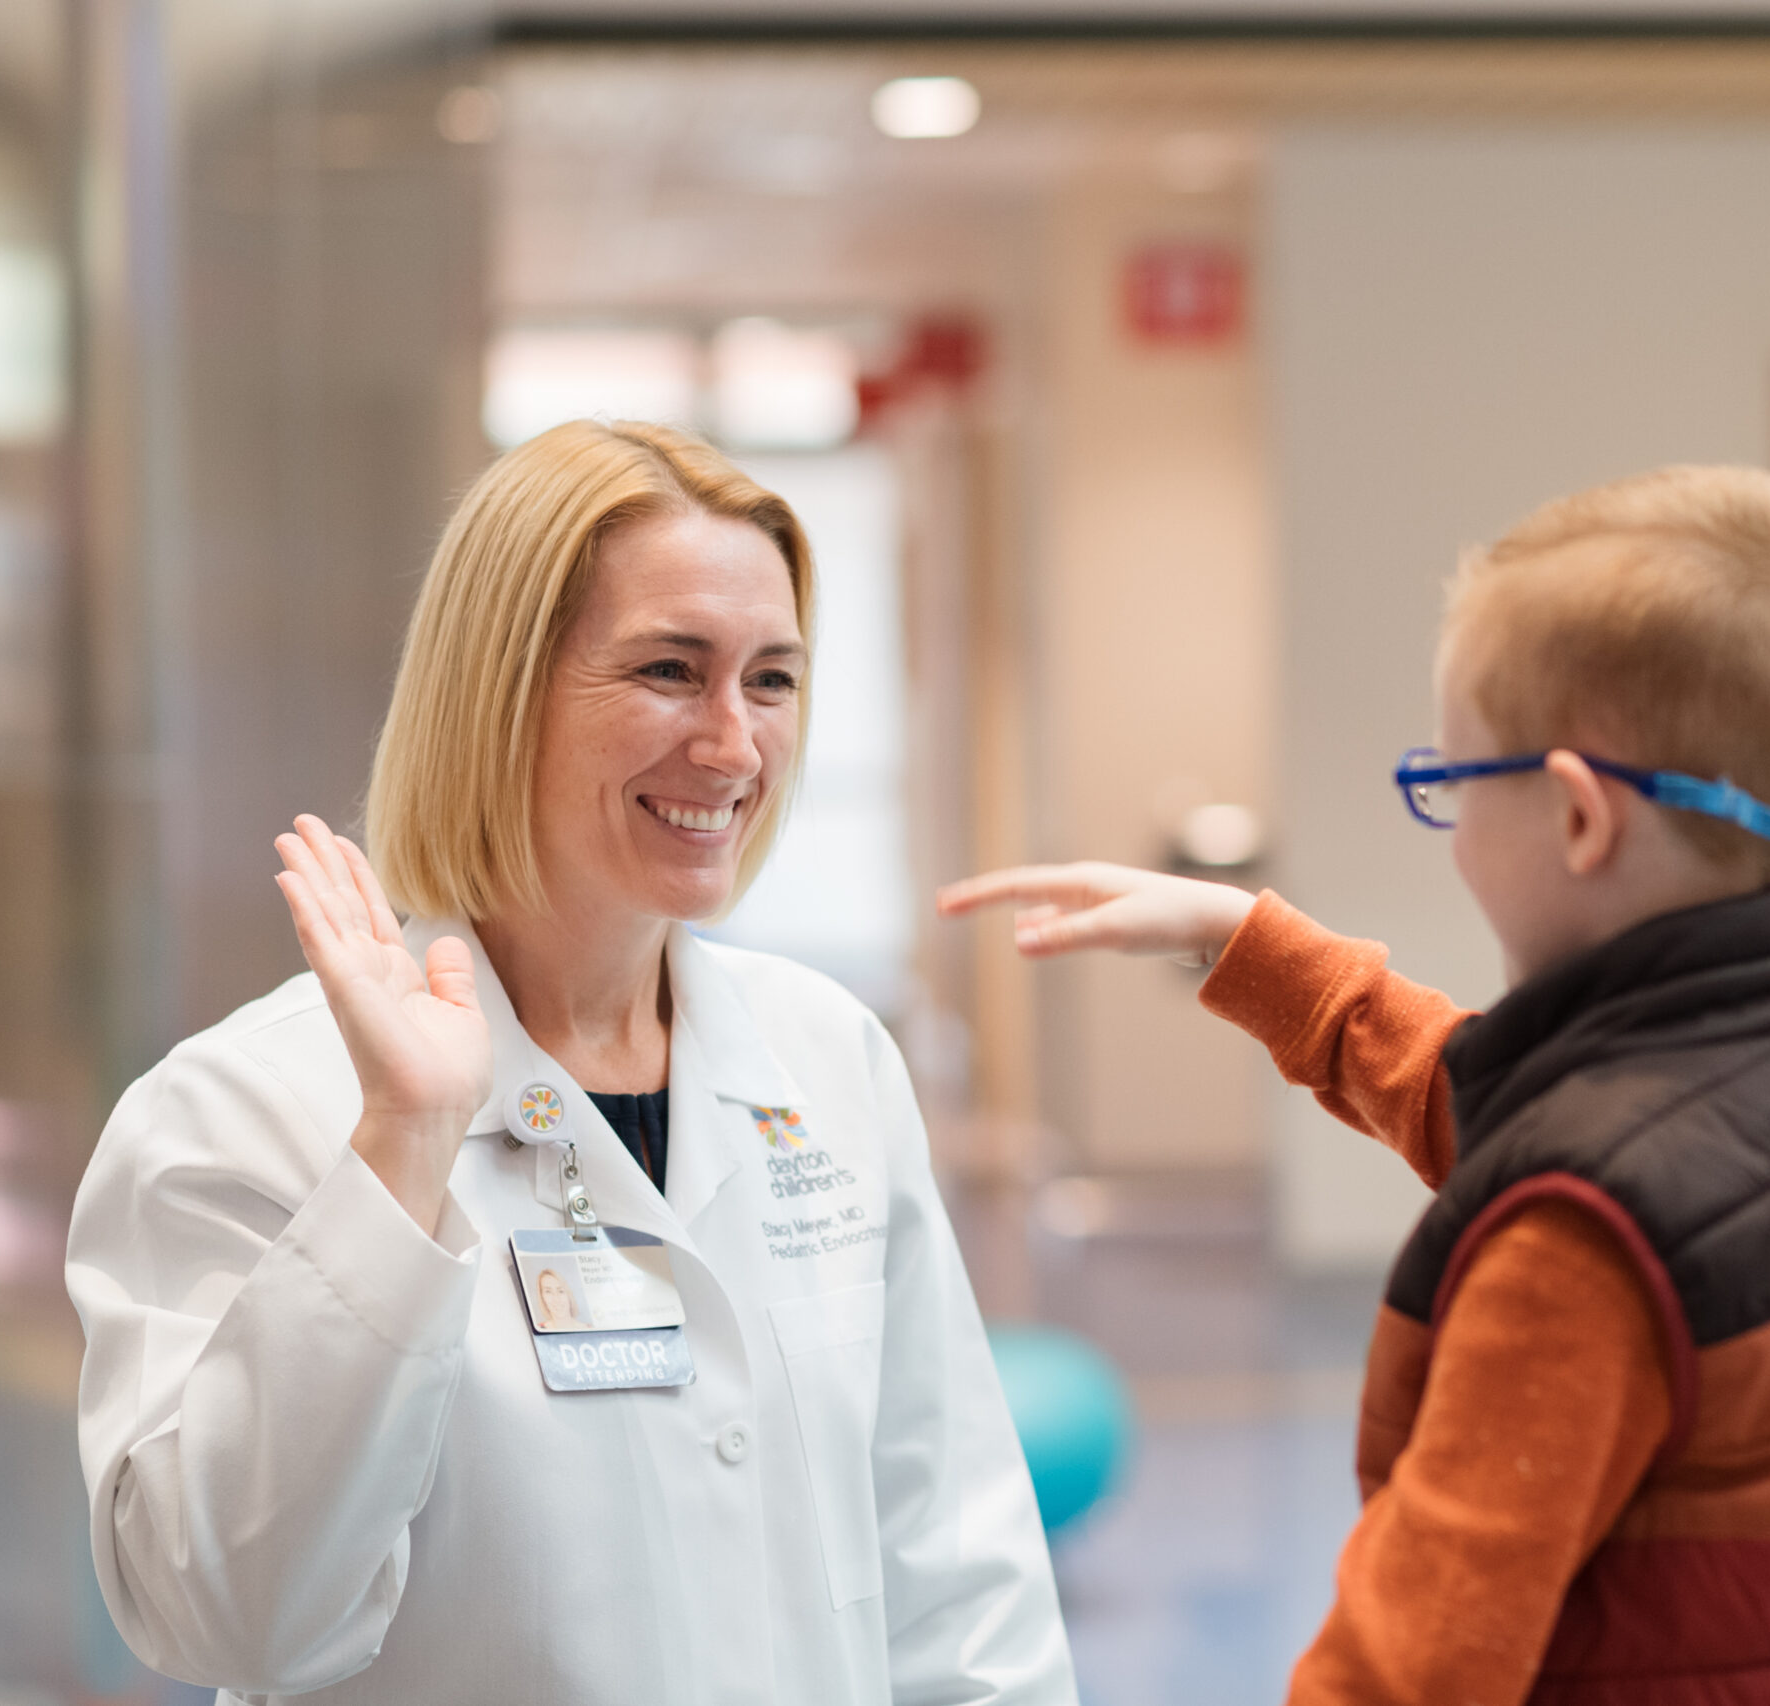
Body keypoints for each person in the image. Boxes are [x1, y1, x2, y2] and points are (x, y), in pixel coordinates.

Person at [943, 467, 1770, 1705]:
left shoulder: (1580, 1240)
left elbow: (1402, 1674)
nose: (1451, 822)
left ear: (1579, 818)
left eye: (1450, 782)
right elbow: (1519, 1104)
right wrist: (1244, 942)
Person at [67, 420, 1073, 1705]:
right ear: (499, 689)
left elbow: (955, 1569)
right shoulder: (246, 1108)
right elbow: (226, 1617)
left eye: (771, 679)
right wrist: (401, 1153)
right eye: (669, 668)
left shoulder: (826, 1060)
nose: (733, 743)